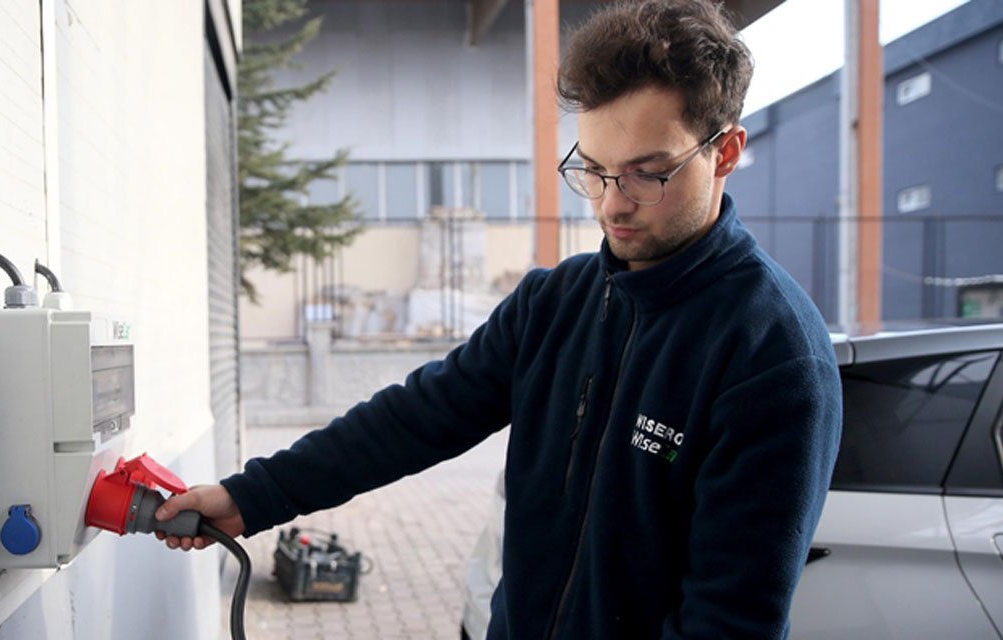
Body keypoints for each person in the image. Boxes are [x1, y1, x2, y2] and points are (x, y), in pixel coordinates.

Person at [156, 0, 842, 637]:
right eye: (594, 170)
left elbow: (729, 621)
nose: (611, 205)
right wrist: (251, 498)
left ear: (725, 152)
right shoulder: (555, 304)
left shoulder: (772, 358)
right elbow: (412, 420)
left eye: (646, 173)